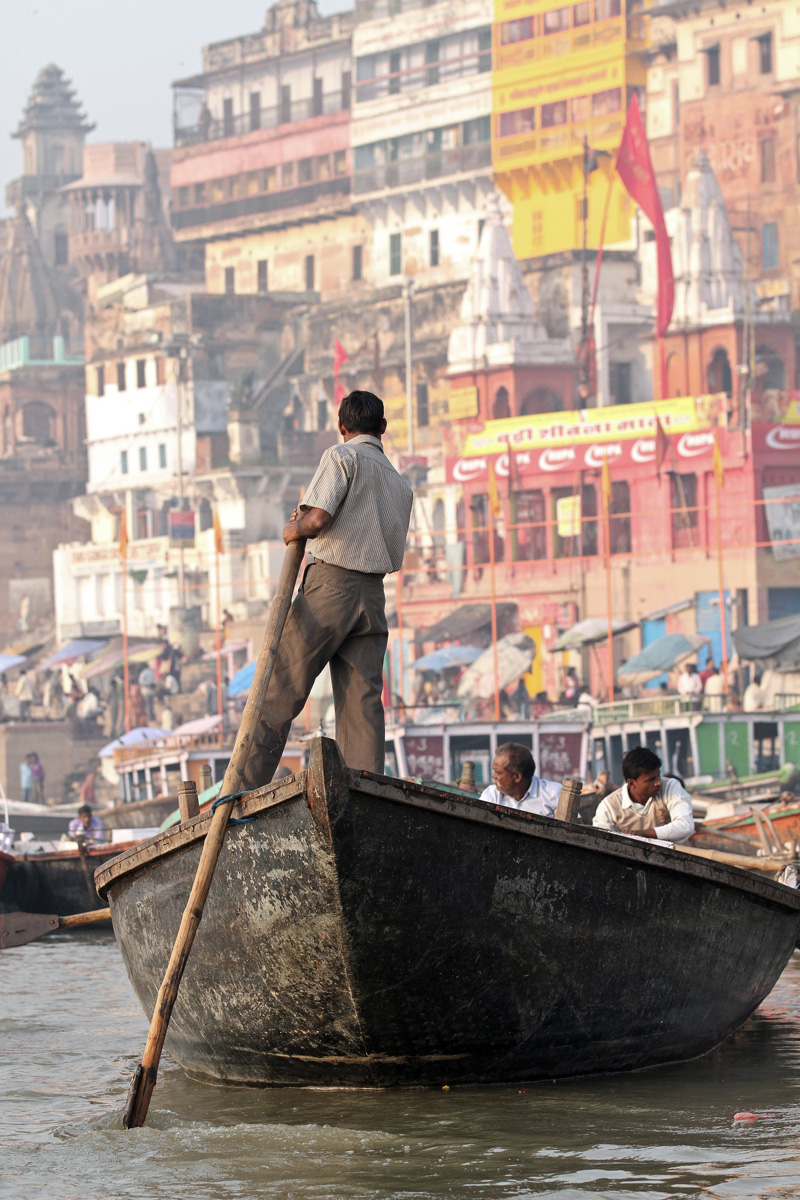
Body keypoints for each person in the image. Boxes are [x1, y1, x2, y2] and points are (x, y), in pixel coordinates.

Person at [238, 390, 413, 790]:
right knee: (362, 706)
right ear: (382, 429)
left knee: (281, 688)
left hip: (331, 588)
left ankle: (240, 789)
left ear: (341, 427)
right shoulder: (399, 483)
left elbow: (316, 518)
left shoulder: (341, 456)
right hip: (373, 596)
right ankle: (365, 794)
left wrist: (293, 529)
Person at [592, 745, 694, 843]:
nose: (658, 782)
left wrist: (644, 834)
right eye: (651, 779)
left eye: (658, 775)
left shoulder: (670, 786)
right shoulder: (609, 806)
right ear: (632, 783)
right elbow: (600, 841)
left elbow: (685, 826)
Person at [479, 742, 562, 817]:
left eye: (498, 773)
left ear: (517, 776)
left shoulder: (554, 795)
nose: (493, 776)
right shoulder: (491, 795)